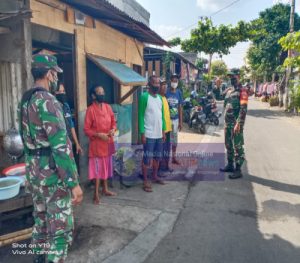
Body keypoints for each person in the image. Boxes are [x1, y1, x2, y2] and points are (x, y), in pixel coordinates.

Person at [19, 54, 83, 263]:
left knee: (42, 223)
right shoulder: (48, 101)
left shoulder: (25, 100)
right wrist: (73, 182)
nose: (56, 77)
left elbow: (24, 141)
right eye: (55, 73)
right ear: (48, 74)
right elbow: (60, 146)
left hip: (35, 174)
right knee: (59, 231)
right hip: (53, 177)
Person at [84, 85, 117, 204]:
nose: (102, 94)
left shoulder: (108, 107)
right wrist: (98, 134)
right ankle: (96, 193)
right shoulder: (90, 110)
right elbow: (86, 130)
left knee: (106, 166)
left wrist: (113, 129)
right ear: (93, 95)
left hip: (108, 142)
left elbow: (113, 122)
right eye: (99, 92)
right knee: (97, 169)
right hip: (97, 144)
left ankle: (106, 189)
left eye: (103, 92)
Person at [138, 75, 166, 192]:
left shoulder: (160, 98)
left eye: (158, 83)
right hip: (149, 134)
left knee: (157, 158)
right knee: (147, 159)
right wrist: (142, 133)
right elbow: (140, 116)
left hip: (159, 134)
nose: (157, 85)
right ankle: (145, 181)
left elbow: (162, 116)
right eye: (155, 83)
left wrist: (163, 131)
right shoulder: (144, 97)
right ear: (149, 84)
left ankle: (154, 176)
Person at [220, 69, 248, 179]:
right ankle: (230, 165)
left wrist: (239, 123)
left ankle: (238, 169)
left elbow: (243, 109)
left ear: (238, 76)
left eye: (233, 76)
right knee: (228, 145)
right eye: (230, 77)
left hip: (236, 124)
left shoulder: (243, 91)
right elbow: (223, 100)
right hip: (228, 123)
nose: (231, 78)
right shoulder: (230, 91)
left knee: (238, 146)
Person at [55, 82, 83, 156]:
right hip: (58, 145)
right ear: (54, 93)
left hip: (69, 143)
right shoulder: (53, 107)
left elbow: (71, 125)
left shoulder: (66, 106)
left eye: (63, 91)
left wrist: (77, 143)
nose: (62, 93)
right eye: (59, 91)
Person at [166, 73, 183, 165]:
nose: (174, 82)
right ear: (170, 81)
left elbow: (180, 107)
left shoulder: (179, 92)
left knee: (174, 140)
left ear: (178, 82)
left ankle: (174, 158)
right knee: (166, 140)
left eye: (176, 81)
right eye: (173, 81)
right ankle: (165, 159)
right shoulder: (166, 92)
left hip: (175, 120)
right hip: (167, 120)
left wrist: (180, 122)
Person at [158, 78, 173, 173]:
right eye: (162, 85)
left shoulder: (165, 98)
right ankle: (159, 169)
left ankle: (166, 166)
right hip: (162, 130)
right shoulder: (158, 98)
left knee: (167, 149)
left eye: (165, 85)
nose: (165, 87)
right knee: (161, 150)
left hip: (168, 129)